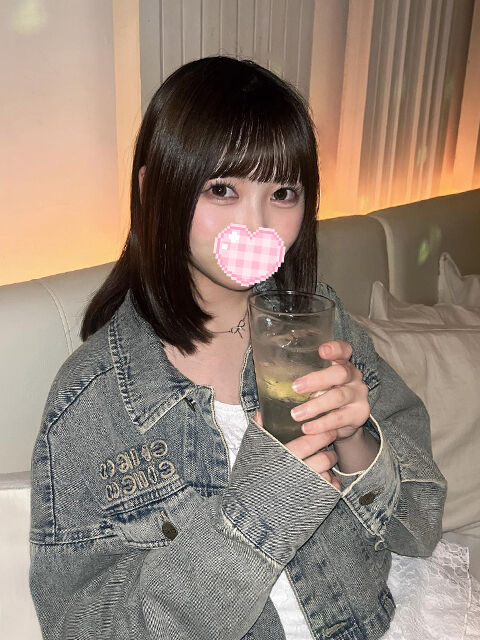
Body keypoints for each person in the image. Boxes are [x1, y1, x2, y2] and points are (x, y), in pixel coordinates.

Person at [30, 55, 469, 640]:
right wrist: (257, 513)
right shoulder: (89, 402)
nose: (257, 224)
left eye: (282, 192)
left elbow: (420, 528)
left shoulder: (324, 325)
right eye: (222, 189)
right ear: (153, 187)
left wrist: (355, 439)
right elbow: (81, 627)